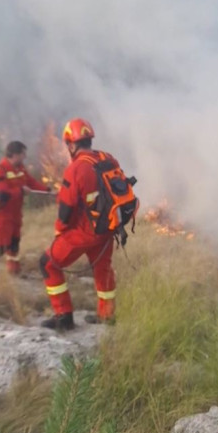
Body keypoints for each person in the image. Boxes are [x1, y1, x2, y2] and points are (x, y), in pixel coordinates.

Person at [39, 118, 123, 331]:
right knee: (103, 270)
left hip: (85, 231)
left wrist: (60, 228)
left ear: (71, 144)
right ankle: (107, 316)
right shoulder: (108, 159)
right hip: (108, 228)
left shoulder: (76, 168)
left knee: (48, 263)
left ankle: (63, 316)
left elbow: (66, 209)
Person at [0, 141, 51, 277]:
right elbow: (2, 193)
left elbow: (31, 182)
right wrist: (20, 190)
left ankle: (14, 269)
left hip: (15, 213)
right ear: (15, 154)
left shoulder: (20, 168)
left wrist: (47, 190)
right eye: (23, 153)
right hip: (1, 214)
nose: (25, 156)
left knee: (15, 241)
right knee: (2, 243)